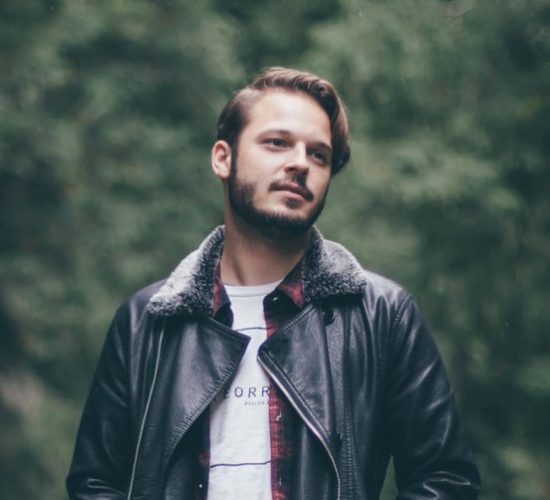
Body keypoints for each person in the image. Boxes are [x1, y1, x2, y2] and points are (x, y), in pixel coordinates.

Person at [67, 67, 481, 500]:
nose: (300, 163)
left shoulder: (381, 315)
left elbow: (446, 480)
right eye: (277, 143)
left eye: (318, 155)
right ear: (223, 158)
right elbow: (95, 485)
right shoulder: (146, 322)